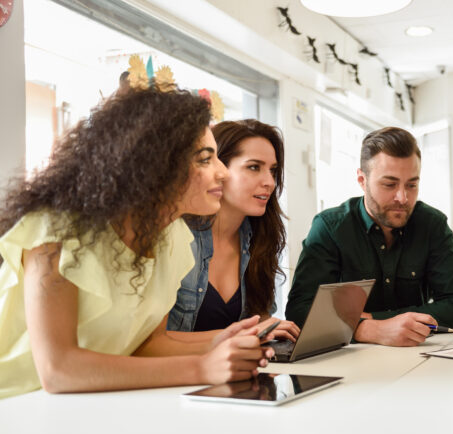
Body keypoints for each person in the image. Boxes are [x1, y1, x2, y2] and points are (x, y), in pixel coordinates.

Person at [0, 87, 274, 399]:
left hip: (89, 403)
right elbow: (58, 370)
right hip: (15, 405)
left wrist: (226, 340)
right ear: (155, 166)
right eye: (204, 160)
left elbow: (147, 344)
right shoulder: (55, 230)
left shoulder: (173, 237)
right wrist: (202, 367)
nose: (223, 173)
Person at [285, 127, 453, 346]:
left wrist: (375, 319)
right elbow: (299, 312)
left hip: (418, 362)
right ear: (361, 180)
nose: (403, 197)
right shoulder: (330, 228)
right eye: (389, 184)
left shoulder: (431, 224)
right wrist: (368, 330)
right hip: (350, 368)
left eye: (412, 185)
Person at [166, 120, 299, 342]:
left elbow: (258, 319)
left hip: (231, 372)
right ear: (218, 169)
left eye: (273, 171)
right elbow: (151, 342)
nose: (269, 182)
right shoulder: (177, 235)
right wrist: (244, 335)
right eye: (254, 167)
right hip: (177, 374)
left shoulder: (260, 237)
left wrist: (269, 328)